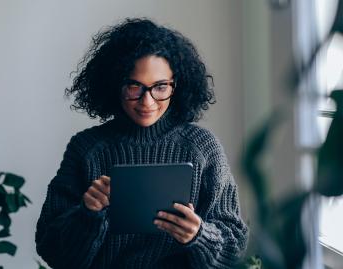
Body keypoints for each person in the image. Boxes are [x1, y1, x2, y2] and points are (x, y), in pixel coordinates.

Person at [35, 18, 248, 269]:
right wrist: (87, 214)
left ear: (176, 86)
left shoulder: (202, 147)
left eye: (160, 87)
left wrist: (199, 235)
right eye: (134, 87)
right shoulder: (86, 149)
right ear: (115, 85)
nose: (147, 102)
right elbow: (51, 250)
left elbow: (236, 246)